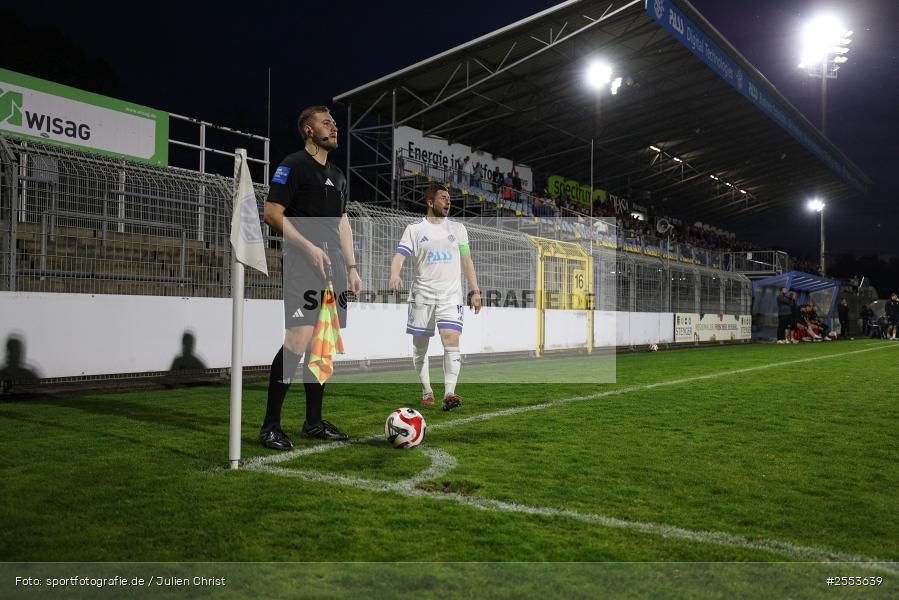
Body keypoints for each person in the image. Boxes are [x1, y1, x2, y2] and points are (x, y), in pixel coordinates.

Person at [259, 105, 363, 450]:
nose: (334, 127)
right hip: (303, 264)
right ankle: (270, 426)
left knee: (323, 347)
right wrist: (308, 248)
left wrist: (351, 266)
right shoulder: (293, 165)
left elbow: (343, 223)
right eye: (326, 123)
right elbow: (272, 214)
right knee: (298, 342)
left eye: (334, 123)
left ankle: (313, 423)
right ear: (307, 130)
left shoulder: (339, 174)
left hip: (334, 269)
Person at [389, 183, 482, 411]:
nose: (448, 201)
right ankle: (426, 389)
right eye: (443, 198)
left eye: (449, 198)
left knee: (451, 338)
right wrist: (394, 274)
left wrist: (475, 290)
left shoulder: (458, 229)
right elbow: (400, 255)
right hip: (422, 295)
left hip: (451, 296)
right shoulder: (415, 229)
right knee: (420, 345)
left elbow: (466, 260)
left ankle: (449, 393)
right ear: (430, 202)